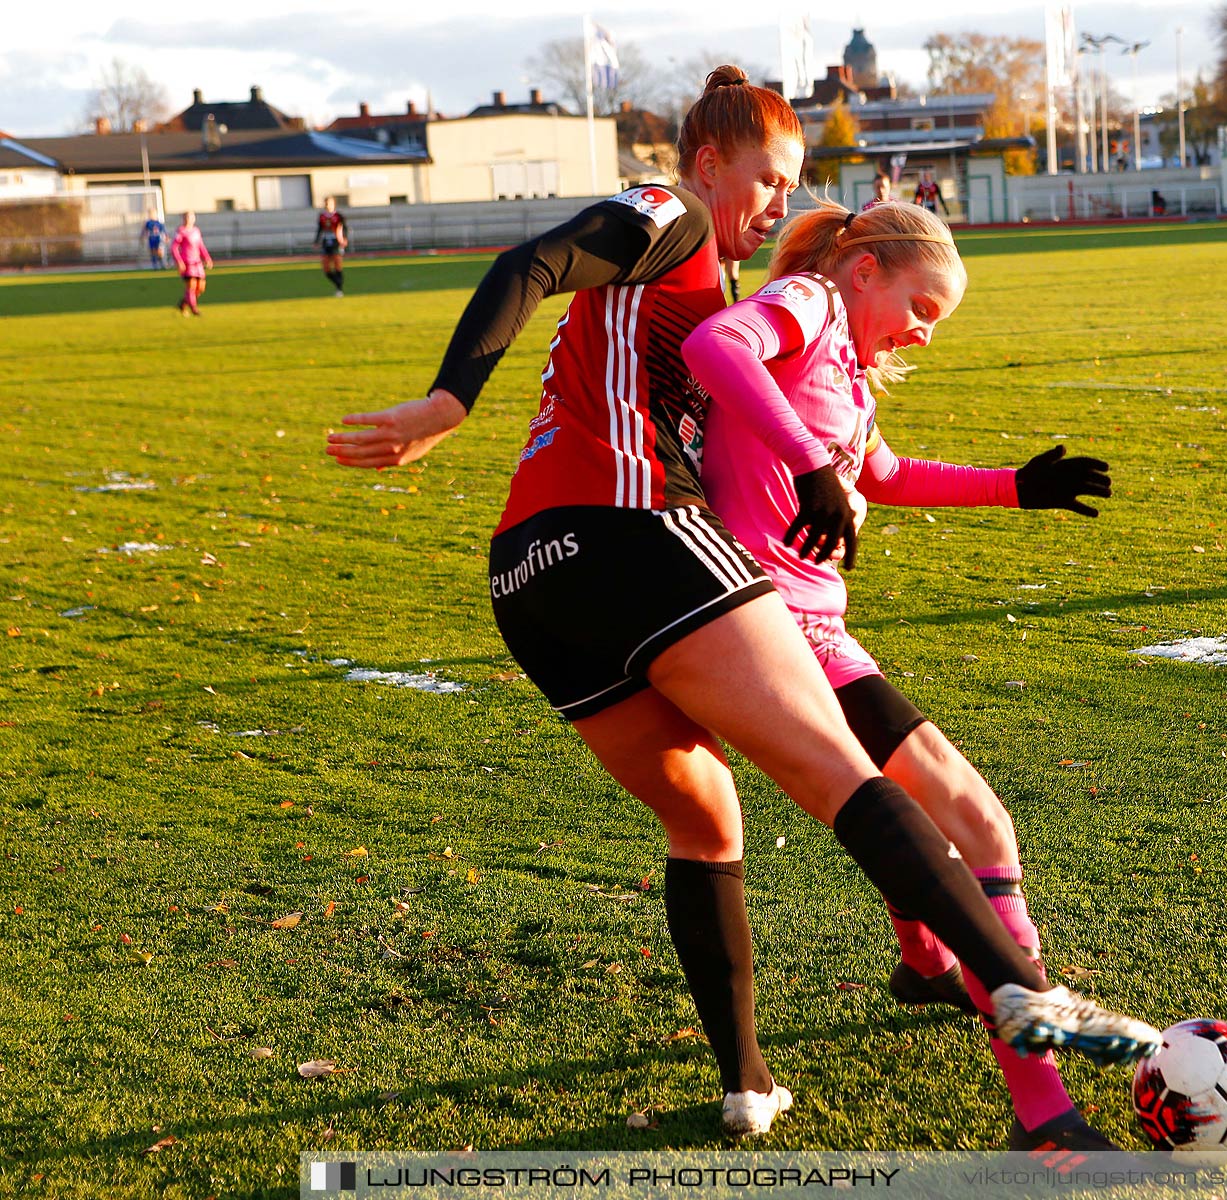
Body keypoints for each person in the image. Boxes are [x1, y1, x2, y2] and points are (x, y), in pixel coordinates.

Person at [325, 66, 1158, 1140]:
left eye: (790, 185)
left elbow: (838, 438)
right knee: (843, 775)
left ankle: (747, 1082)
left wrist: (977, 479)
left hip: (529, 580)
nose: (775, 205)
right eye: (766, 179)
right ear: (708, 161)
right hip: (633, 532)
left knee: (705, 813)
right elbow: (530, 260)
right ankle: (1023, 995)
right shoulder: (667, 214)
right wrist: (449, 400)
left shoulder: (716, 292)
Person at [684, 198, 1121, 1153]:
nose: (925, 331)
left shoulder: (842, 355)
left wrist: (1017, 486)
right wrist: (808, 465)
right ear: (866, 267)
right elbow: (717, 346)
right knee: (974, 820)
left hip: (812, 625)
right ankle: (1045, 1115)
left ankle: (925, 962)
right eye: (922, 305)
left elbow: (874, 470)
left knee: (917, 813)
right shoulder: (806, 301)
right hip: (769, 622)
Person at [170, 212, 212, 316]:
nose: (189, 219)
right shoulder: (180, 231)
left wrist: (207, 258)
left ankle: (183, 304)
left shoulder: (196, 231)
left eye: (191, 217)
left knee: (200, 288)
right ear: (183, 218)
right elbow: (174, 247)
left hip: (197, 263)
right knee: (191, 287)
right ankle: (194, 309)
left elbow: (201, 246)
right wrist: (179, 261)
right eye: (187, 217)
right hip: (187, 263)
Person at [316, 197, 349, 296]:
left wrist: (344, 238)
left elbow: (345, 228)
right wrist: (316, 241)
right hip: (326, 243)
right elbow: (320, 229)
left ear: (333, 204)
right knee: (326, 268)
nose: (327, 205)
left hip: (336, 242)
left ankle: (339, 289)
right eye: (326, 203)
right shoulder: (322, 216)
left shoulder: (339, 216)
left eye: (329, 203)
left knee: (337, 265)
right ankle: (338, 283)